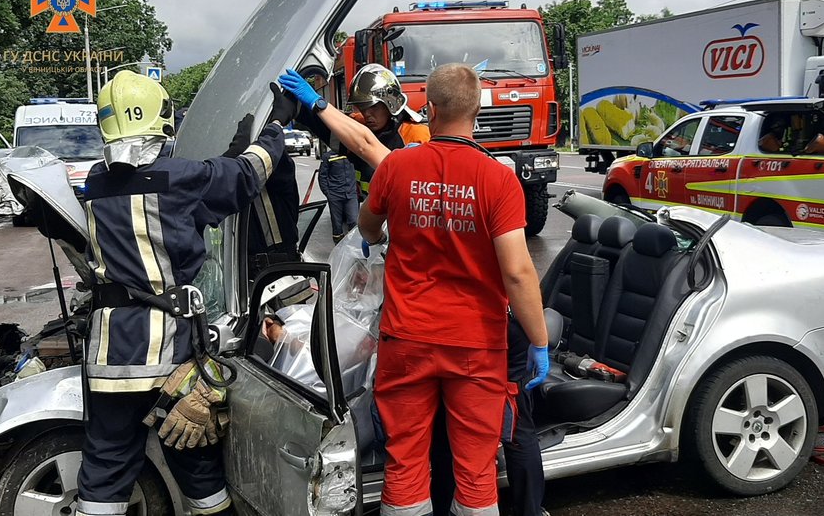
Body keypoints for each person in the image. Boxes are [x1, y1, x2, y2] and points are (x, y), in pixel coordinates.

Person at [279, 64, 550, 516]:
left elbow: (368, 227)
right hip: (476, 345)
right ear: (477, 112)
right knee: (476, 469)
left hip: (406, 340)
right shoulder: (499, 179)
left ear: (432, 110)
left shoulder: (398, 167)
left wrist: (387, 234)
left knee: (404, 463)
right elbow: (519, 273)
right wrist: (538, 341)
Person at [75, 70, 298, 516]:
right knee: (195, 464)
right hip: (169, 355)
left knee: (105, 467)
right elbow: (244, 176)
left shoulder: (96, 181)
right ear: (161, 117)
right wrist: (275, 127)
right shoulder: (180, 179)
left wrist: (228, 155)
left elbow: (178, 182)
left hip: (110, 355)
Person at [297, 63, 430, 198]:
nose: (366, 114)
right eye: (362, 107)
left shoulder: (416, 135)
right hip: (371, 204)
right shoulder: (360, 125)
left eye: (373, 107)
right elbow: (331, 127)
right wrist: (300, 106)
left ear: (391, 103)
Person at [318, 148, 359, 243]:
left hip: (351, 194)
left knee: (354, 220)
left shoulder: (353, 154)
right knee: (337, 224)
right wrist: (328, 193)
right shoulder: (328, 156)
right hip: (335, 195)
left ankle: (352, 244)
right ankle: (338, 245)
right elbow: (322, 177)